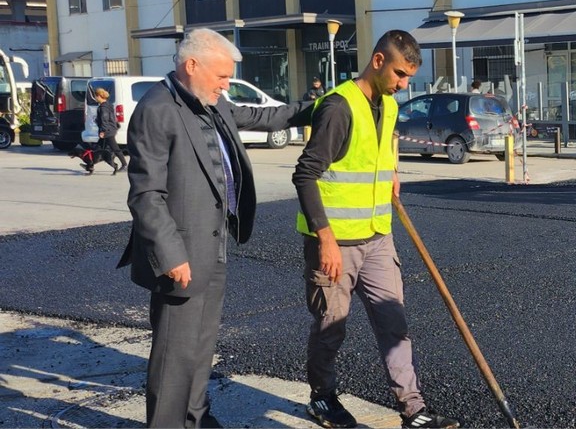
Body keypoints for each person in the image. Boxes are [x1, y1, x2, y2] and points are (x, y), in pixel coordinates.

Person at [120, 28, 312, 428]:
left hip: (215, 244)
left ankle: (195, 417)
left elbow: (263, 116)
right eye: (222, 76)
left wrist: (316, 106)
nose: (227, 85)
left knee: (201, 346)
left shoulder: (213, 102)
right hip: (182, 255)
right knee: (174, 353)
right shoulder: (157, 109)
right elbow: (146, 194)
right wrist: (171, 255)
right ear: (192, 65)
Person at [294, 30, 459, 429]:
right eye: (401, 75)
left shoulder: (387, 104)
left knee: (394, 322)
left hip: (378, 235)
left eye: (409, 79)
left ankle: (413, 410)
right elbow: (305, 175)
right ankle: (322, 397)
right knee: (331, 327)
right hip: (335, 243)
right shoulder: (338, 107)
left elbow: (384, 146)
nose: (404, 85)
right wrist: (326, 240)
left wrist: (394, 171)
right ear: (378, 61)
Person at [94, 87, 128, 175]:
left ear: (99, 96)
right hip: (111, 129)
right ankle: (90, 164)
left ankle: (124, 164)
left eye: (96, 96)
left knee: (115, 148)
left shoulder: (103, 107)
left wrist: (103, 131)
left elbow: (104, 119)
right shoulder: (108, 105)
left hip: (107, 131)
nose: (95, 98)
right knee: (98, 148)